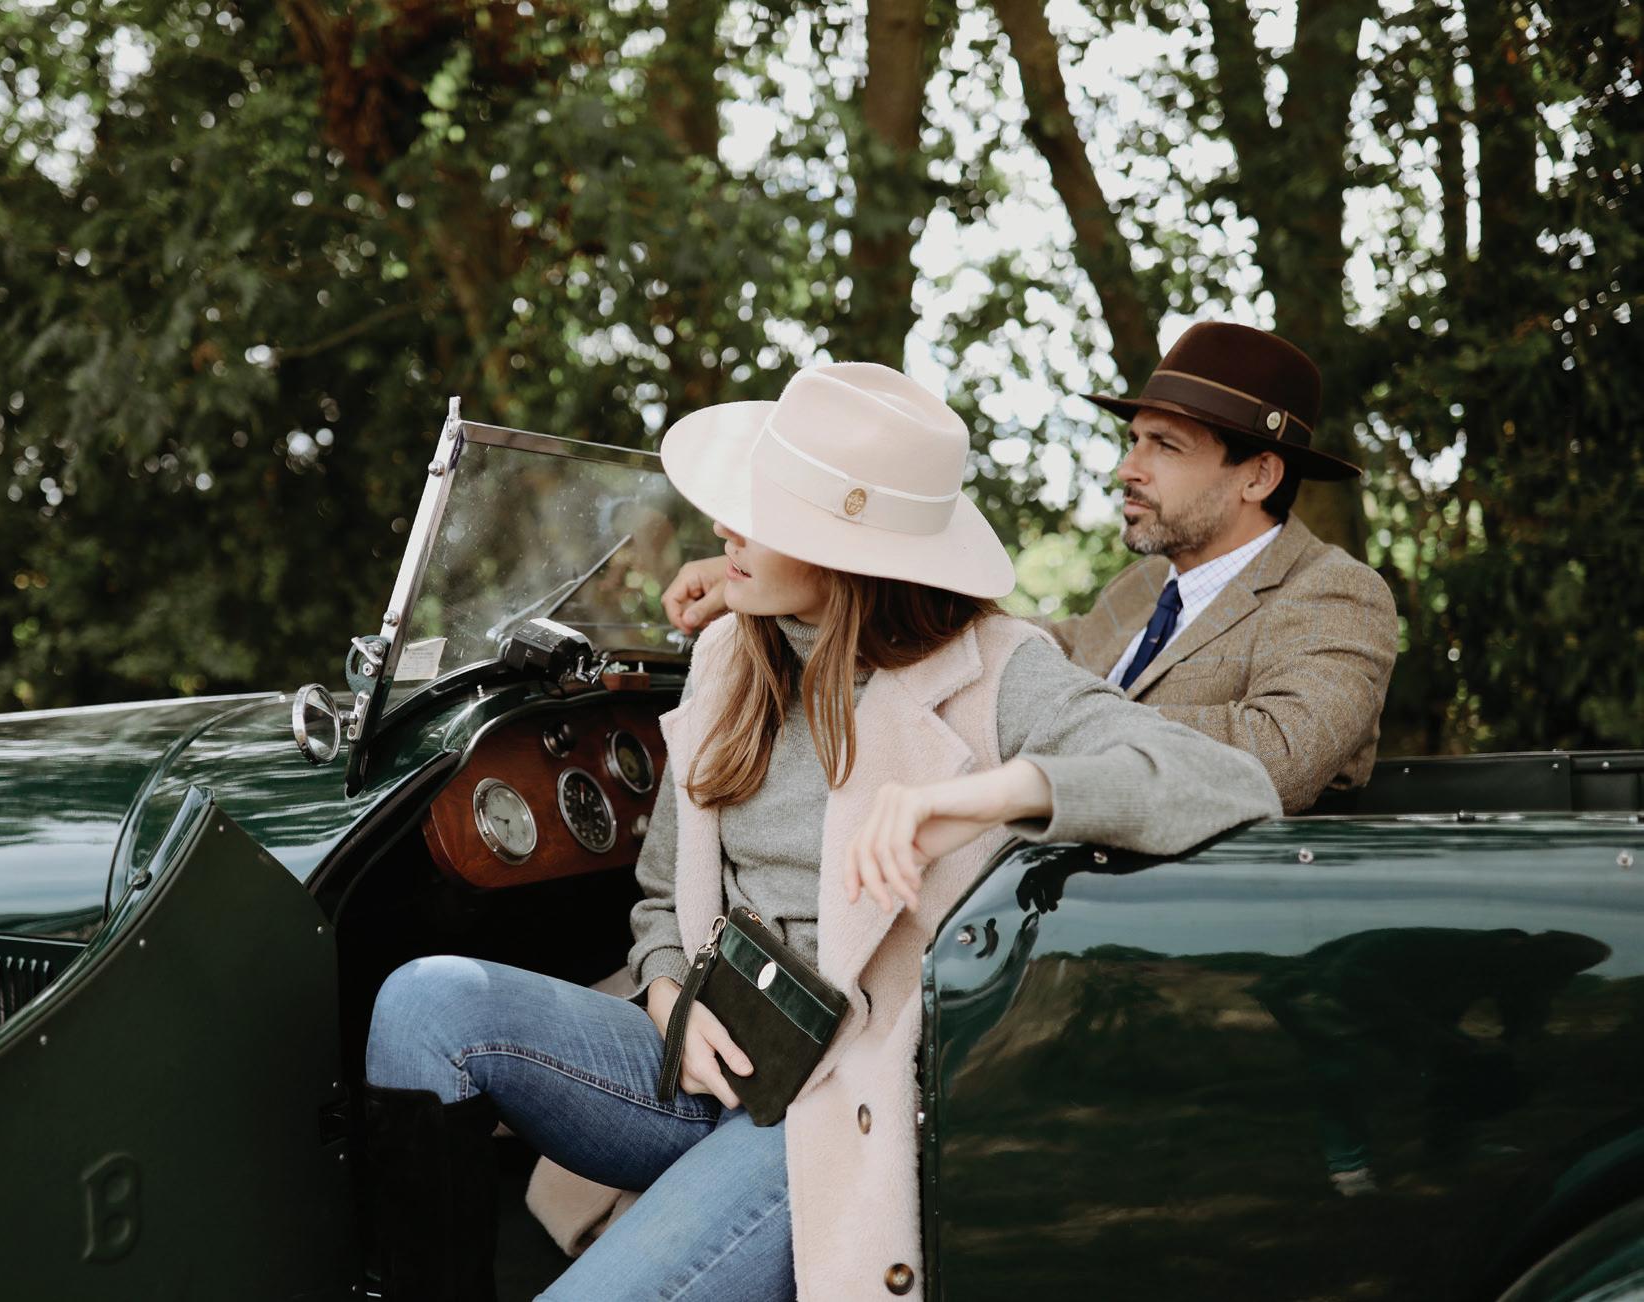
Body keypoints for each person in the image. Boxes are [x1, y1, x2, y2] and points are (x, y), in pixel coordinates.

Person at [361, 362, 1279, 1301]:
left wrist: (982, 797)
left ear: (849, 551)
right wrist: (668, 993)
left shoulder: (1001, 672)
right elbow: (660, 896)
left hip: (840, 1101)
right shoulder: (729, 653)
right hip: (703, 1055)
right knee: (426, 1003)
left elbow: (1225, 781)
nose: (725, 528)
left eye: (764, 513)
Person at [662, 324, 1398, 813]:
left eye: (1165, 447)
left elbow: (1277, 757)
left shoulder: (1334, 593)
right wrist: (776, 570)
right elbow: (1015, 645)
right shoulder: (1146, 587)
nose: (1128, 468)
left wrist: (1053, 726)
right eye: (1134, 440)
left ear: (1258, 476)